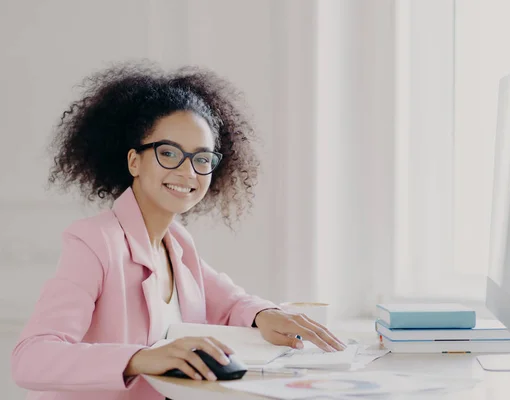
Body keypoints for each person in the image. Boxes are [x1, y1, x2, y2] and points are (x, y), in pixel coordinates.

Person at [11, 62, 345, 400]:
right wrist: (140, 359)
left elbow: (231, 303)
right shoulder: (95, 242)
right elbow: (31, 358)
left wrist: (265, 314)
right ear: (134, 162)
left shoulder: (177, 244)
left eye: (202, 159)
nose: (188, 172)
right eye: (168, 153)